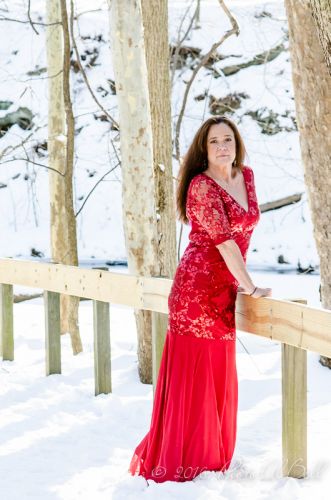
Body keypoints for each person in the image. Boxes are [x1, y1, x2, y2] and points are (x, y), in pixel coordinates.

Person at [128, 115, 272, 483]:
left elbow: (243, 236)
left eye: (228, 139)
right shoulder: (201, 187)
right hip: (196, 289)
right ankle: (184, 459)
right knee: (196, 374)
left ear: (237, 143)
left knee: (219, 371)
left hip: (225, 287)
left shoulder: (247, 177)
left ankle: (213, 456)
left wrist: (238, 283)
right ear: (203, 150)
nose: (223, 147)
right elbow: (224, 242)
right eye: (214, 142)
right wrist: (250, 286)